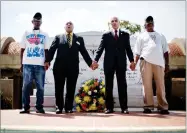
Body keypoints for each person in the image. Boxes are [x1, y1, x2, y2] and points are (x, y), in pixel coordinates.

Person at [45, 21, 98, 114]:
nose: (69, 25)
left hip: (73, 68)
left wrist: (90, 64)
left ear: (73, 27)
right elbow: (52, 50)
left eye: (70, 24)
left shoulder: (79, 39)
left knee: (71, 88)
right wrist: (47, 61)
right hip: (59, 68)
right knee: (59, 88)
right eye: (67, 24)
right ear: (64, 27)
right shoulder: (58, 37)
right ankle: (59, 107)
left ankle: (68, 107)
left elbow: (84, 52)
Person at [93, 17, 135, 114]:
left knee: (122, 85)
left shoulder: (125, 35)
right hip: (109, 63)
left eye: (116, 21)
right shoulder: (106, 35)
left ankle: (124, 108)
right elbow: (100, 49)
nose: (114, 22)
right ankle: (109, 108)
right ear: (110, 24)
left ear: (119, 23)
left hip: (121, 63)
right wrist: (95, 60)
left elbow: (128, 49)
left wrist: (132, 61)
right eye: (112, 21)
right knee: (108, 86)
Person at [134, 16, 169, 114]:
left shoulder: (161, 35)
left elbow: (166, 52)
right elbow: (137, 52)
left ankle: (163, 107)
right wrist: (134, 63)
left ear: (154, 24)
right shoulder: (141, 36)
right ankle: (148, 106)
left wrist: (167, 64)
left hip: (159, 63)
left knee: (160, 85)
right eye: (148, 24)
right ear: (145, 25)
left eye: (151, 23)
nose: (150, 25)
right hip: (145, 61)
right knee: (147, 85)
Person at [20, 12, 49, 114]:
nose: (37, 22)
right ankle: (25, 107)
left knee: (40, 86)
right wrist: (21, 64)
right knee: (26, 86)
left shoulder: (45, 34)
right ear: (32, 22)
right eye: (35, 21)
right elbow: (22, 49)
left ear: (41, 22)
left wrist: (47, 62)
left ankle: (39, 107)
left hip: (40, 65)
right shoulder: (26, 33)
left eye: (39, 21)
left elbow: (46, 50)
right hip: (27, 64)